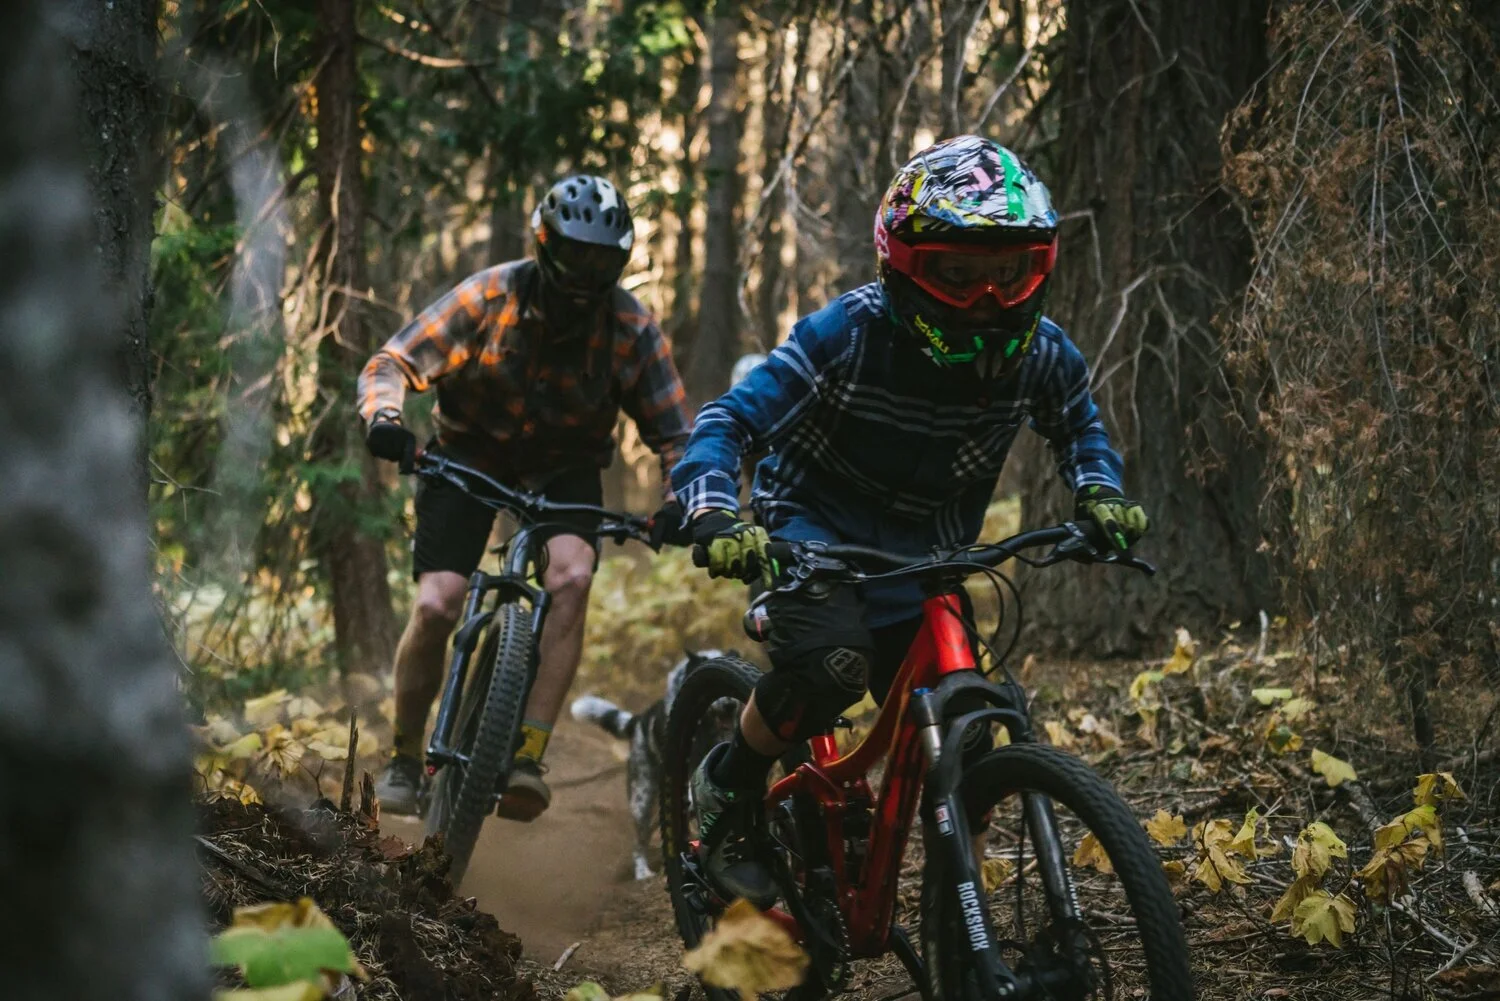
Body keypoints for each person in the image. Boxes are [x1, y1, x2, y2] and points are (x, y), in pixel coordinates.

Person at [668, 136, 1149, 907]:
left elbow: (1081, 427)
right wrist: (712, 504)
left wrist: (1100, 494)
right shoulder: (847, 334)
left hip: (932, 548)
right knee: (830, 669)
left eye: (1011, 275)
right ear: (902, 268)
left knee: (969, 718)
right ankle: (727, 784)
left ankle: (961, 923)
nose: (988, 300)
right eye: (956, 277)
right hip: (817, 526)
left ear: (1042, 269)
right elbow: (731, 419)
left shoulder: (1043, 355)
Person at [358, 174, 693, 819]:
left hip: (564, 467)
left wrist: (684, 501)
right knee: (437, 603)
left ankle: (526, 756)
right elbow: (392, 362)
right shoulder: (489, 296)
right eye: (574, 255)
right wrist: (385, 420)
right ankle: (404, 757)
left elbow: (676, 433)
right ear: (545, 246)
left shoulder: (630, 325)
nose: (585, 273)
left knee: (572, 576)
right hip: (468, 454)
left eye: (601, 261)